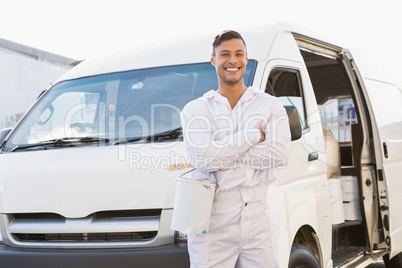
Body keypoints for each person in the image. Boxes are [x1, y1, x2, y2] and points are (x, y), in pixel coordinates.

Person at [180, 30, 291, 268]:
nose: (232, 60)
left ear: (246, 59)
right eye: (225, 54)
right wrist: (252, 135)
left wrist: (221, 151)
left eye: (238, 54)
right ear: (214, 60)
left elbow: (279, 154)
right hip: (212, 218)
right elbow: (203, 160)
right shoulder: (196, 110)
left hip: (258, 214)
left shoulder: (269, 105)